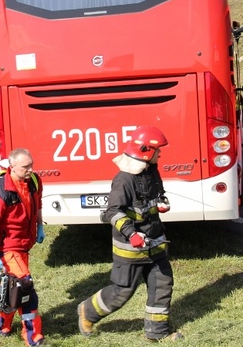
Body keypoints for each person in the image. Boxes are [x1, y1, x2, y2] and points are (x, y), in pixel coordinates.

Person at [77, 126, 182, 343]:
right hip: (130, 248)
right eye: (157, 150)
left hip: (155, 242)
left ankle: (157, 332)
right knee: (122, 292)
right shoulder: (124, 180)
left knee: (162, 284)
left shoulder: (151, 171)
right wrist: (132, 234)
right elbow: (112, 212)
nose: (160, 154)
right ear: (146, 151)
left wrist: (161, 203)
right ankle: (87, 311)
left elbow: (156, 195)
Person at [0, 148, 46, 347]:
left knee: (9, 289)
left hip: (23, 246)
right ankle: (33, 337)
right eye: (26, 167)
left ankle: (1, 326)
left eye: (31, 165)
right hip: (7, 248)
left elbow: (38, 203)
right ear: (12, 166)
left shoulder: (33, 181)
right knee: (24, 289)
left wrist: (39, 225)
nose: (31, 169)